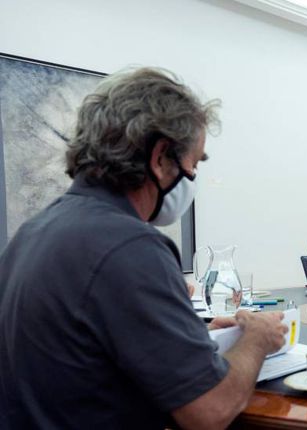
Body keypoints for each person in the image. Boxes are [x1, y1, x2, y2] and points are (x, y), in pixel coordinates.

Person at [0, 68, 287, 429]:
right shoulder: (131, 245)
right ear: (161, 157)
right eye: (193, 164)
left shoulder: (33, 232)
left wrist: (191, 336)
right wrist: (258, 340)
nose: (193, 179)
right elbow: (208, 413)